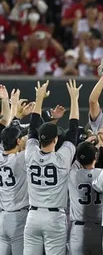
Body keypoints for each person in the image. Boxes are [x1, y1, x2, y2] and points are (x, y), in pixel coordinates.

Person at [23, 79, 80, 255]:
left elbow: (32, 127)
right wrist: (74, 99)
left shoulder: (30, 153)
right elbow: (73, 130)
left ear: (40, 139)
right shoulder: (62, 158)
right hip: (54, 217)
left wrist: (38, 98)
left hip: (32, 216)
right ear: (55, 139)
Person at [0, 99, 29, 255]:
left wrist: (14, 112)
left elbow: (6, 132)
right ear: (18, 141)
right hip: (18, 216)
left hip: (2, 216)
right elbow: (34, 140)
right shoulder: (20, 159)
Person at [68, 141, 103, 255]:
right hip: (98, 230)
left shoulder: (71, 174)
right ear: (95, 157)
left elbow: (72, 161)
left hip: (78, 230)